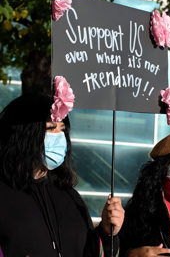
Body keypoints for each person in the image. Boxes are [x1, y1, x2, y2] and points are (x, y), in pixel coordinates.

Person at [0, 93, 124, 257]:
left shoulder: (70, 196)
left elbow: (90, 252)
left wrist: (107, 233)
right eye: (51, 128)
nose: (59, 137)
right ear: (24, 133)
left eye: (62, 130)